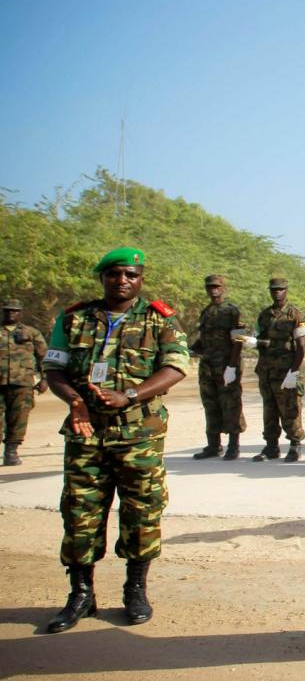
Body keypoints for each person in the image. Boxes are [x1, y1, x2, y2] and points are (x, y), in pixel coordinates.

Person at [42, 247, 188, 632]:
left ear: (140, 279)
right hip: (85, 432)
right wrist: (75, 401)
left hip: (139, 434)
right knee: (80, 511)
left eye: (130, 275)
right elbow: (54, 368)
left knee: (142, 511)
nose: (122, 280)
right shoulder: (74, 318)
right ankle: (81, 594)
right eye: (114, 274)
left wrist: (130, 396)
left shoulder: (159, 319)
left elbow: (175, 367)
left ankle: (135, 590)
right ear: (102, 278)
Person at [247, 278, 305, 462]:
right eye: (274, 289)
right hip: (267, 370)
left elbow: (302, 346)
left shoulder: (295, 315)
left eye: (280, 289)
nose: (277, 292)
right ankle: (271, 446)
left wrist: (294, 372)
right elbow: (259, 339)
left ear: (286, 291)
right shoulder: (264, 315)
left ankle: (295, 445)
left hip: (286, 370)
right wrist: (254, 342)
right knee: (269, 409)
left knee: (290, 408)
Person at [188, 275, 245, 461]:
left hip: (226, 363)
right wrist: (191, 349)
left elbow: (238, 340)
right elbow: (204, 338)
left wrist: (232, 366)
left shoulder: (232, 311)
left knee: (231, 403)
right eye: (209, 287)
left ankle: (233, 445)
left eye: (216, 287)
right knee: (210, 403)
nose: (213, 290)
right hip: (208, 365)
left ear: (223, 288)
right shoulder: (206, 312)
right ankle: (213, 445)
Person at [1, 298, 48, 466]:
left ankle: (11, 452)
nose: (11, 313)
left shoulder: (32, 333)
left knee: (19, 418)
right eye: (7, 310)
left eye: (14, 311)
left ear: (20, 313)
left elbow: (44, 356)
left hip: (22, 382)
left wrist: (44, 378)